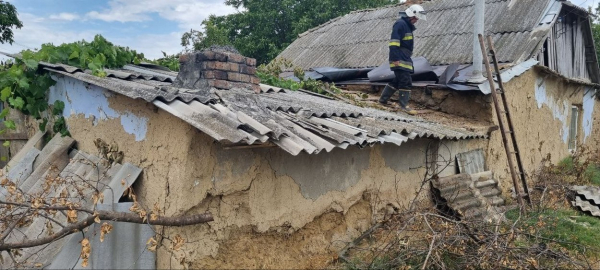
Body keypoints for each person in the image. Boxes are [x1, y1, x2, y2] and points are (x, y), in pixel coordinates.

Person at [378, 4, 427, 115]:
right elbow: (394, 43)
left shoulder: (406, 25)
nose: (416, 20)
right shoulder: (400, 24)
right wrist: (395, 58)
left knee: (398, 81)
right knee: (406, 81)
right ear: (411, 15)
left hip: (404, 57)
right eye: (415, 18)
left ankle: (383, 100)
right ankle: (403, 106)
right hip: (399, 58)